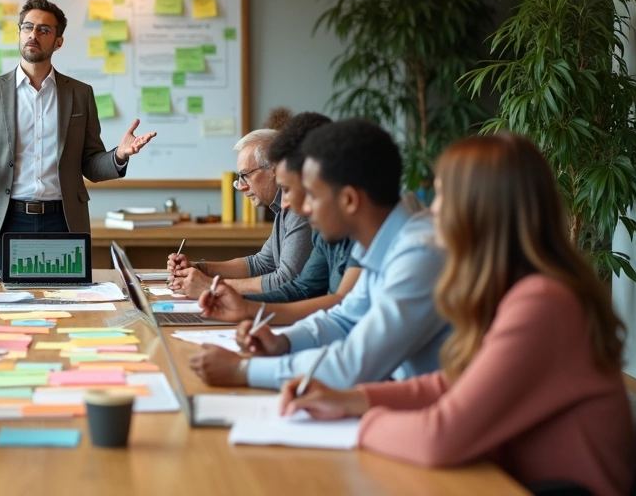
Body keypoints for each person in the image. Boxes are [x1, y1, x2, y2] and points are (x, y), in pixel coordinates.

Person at [281, 134, 633, 496]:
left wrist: (360, 422)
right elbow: (453, 384)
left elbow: (438, 437)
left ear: (480, 210)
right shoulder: (515, 290)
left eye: (444, 195)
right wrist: (351, 400)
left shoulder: (542, 303)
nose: (433, 210)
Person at [189, 119, 450, 390]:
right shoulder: (377, 240)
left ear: (349, 200)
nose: (298, 206)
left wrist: (244, 369)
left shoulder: (420, 255)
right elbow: (344, 318)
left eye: (311, 194)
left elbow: (354, 365)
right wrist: (284, 342)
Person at [0, 0, 158, 271]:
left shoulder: (80, 94)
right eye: (27, 27)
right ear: (19, 32)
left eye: (44, 30)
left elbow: (90, 164)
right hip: (4, 220)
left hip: (62, 221)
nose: (33, 34)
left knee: (66, 305)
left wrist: (119, 155)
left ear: (58, 42)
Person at [195, 112, 361, 326]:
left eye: (291, 189)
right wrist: (244, 307)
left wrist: (212, 286)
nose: (286, 205)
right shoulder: (333, 233)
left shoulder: (401, 249)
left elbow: (347, 326)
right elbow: (305, 291)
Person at [169, 125, 313, 297]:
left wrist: (211, 286)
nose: (241, 186)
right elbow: (261, 264)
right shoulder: (280, 208)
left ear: (274, 169)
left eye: (246, 175)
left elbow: (285, 281)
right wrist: (199, 268)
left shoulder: (299, 209)